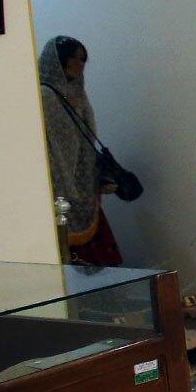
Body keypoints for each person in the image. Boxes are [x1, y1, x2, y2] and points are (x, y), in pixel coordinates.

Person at [39, 35, 124, 266]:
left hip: (85, 186)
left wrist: (96, 175)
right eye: (74, 58)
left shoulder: (78, 94)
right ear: (58, 60)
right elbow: (57, 146)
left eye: (83, 59)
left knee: (101, 260)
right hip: (61, 186)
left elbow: (86, 142)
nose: (80, 65)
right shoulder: (45, 96)